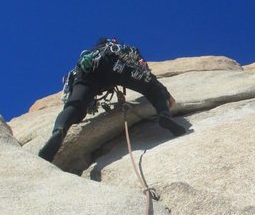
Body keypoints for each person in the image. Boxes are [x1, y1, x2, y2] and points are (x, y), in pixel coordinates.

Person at [38, 37, 186, 162]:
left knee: (75, 105)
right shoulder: (123, 49)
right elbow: (144, 72)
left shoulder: (91, 53)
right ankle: (164, 115)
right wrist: (164, 92)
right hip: (116, 64)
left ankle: (59, 131)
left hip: (88, 71)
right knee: (153, 89)